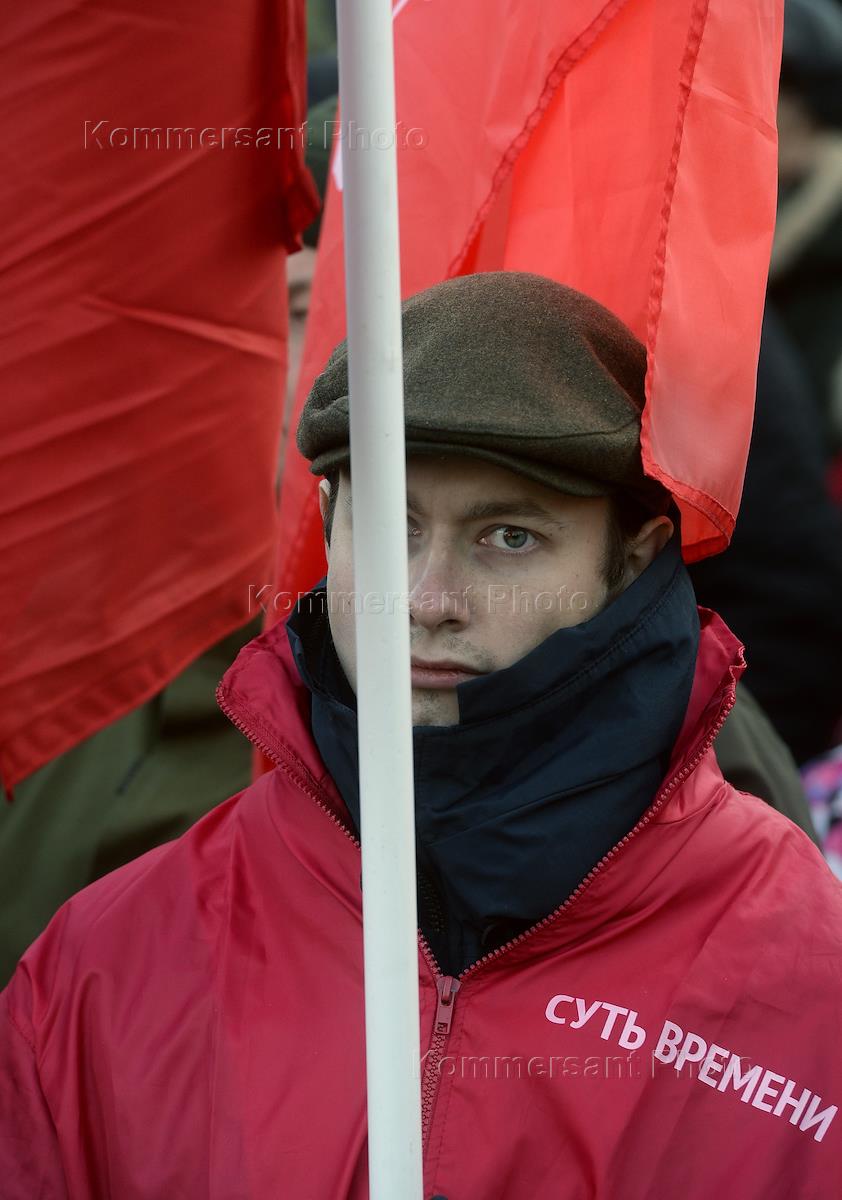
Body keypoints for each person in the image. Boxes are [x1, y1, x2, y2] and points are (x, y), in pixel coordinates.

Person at [2, 273, 841, 1198]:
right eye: (390, 527)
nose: (426, 599)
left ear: (630, 558)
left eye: (508, 537)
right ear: (328, 523)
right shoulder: (108, 960)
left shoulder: (806, 977)